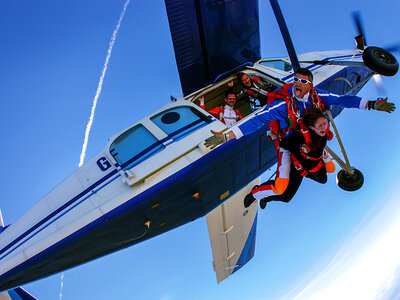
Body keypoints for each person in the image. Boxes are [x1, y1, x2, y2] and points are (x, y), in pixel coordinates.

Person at [205, 68, 395, 148]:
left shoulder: (319, 94)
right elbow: (257, 119)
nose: (298, 83)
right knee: (285, 133)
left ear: (310, 85)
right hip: (291, 126)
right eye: (295, 79)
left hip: (309, 124)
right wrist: (226, 136)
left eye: (303, 81)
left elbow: (343, 99)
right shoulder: (281, 104)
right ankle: (277, 135)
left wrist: (370, 105)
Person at [243, 108, 336, 209]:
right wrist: (297, 153)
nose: (324, 127)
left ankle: (266, 198)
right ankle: (254, 194)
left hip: (303, 165)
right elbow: (285, 144)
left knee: (286, 198)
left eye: (325, 123)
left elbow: (313, 164)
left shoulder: (323, 133)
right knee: (280, 189)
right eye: (320, 125)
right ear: (312, 128)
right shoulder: (300, 136)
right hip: (294, 158)